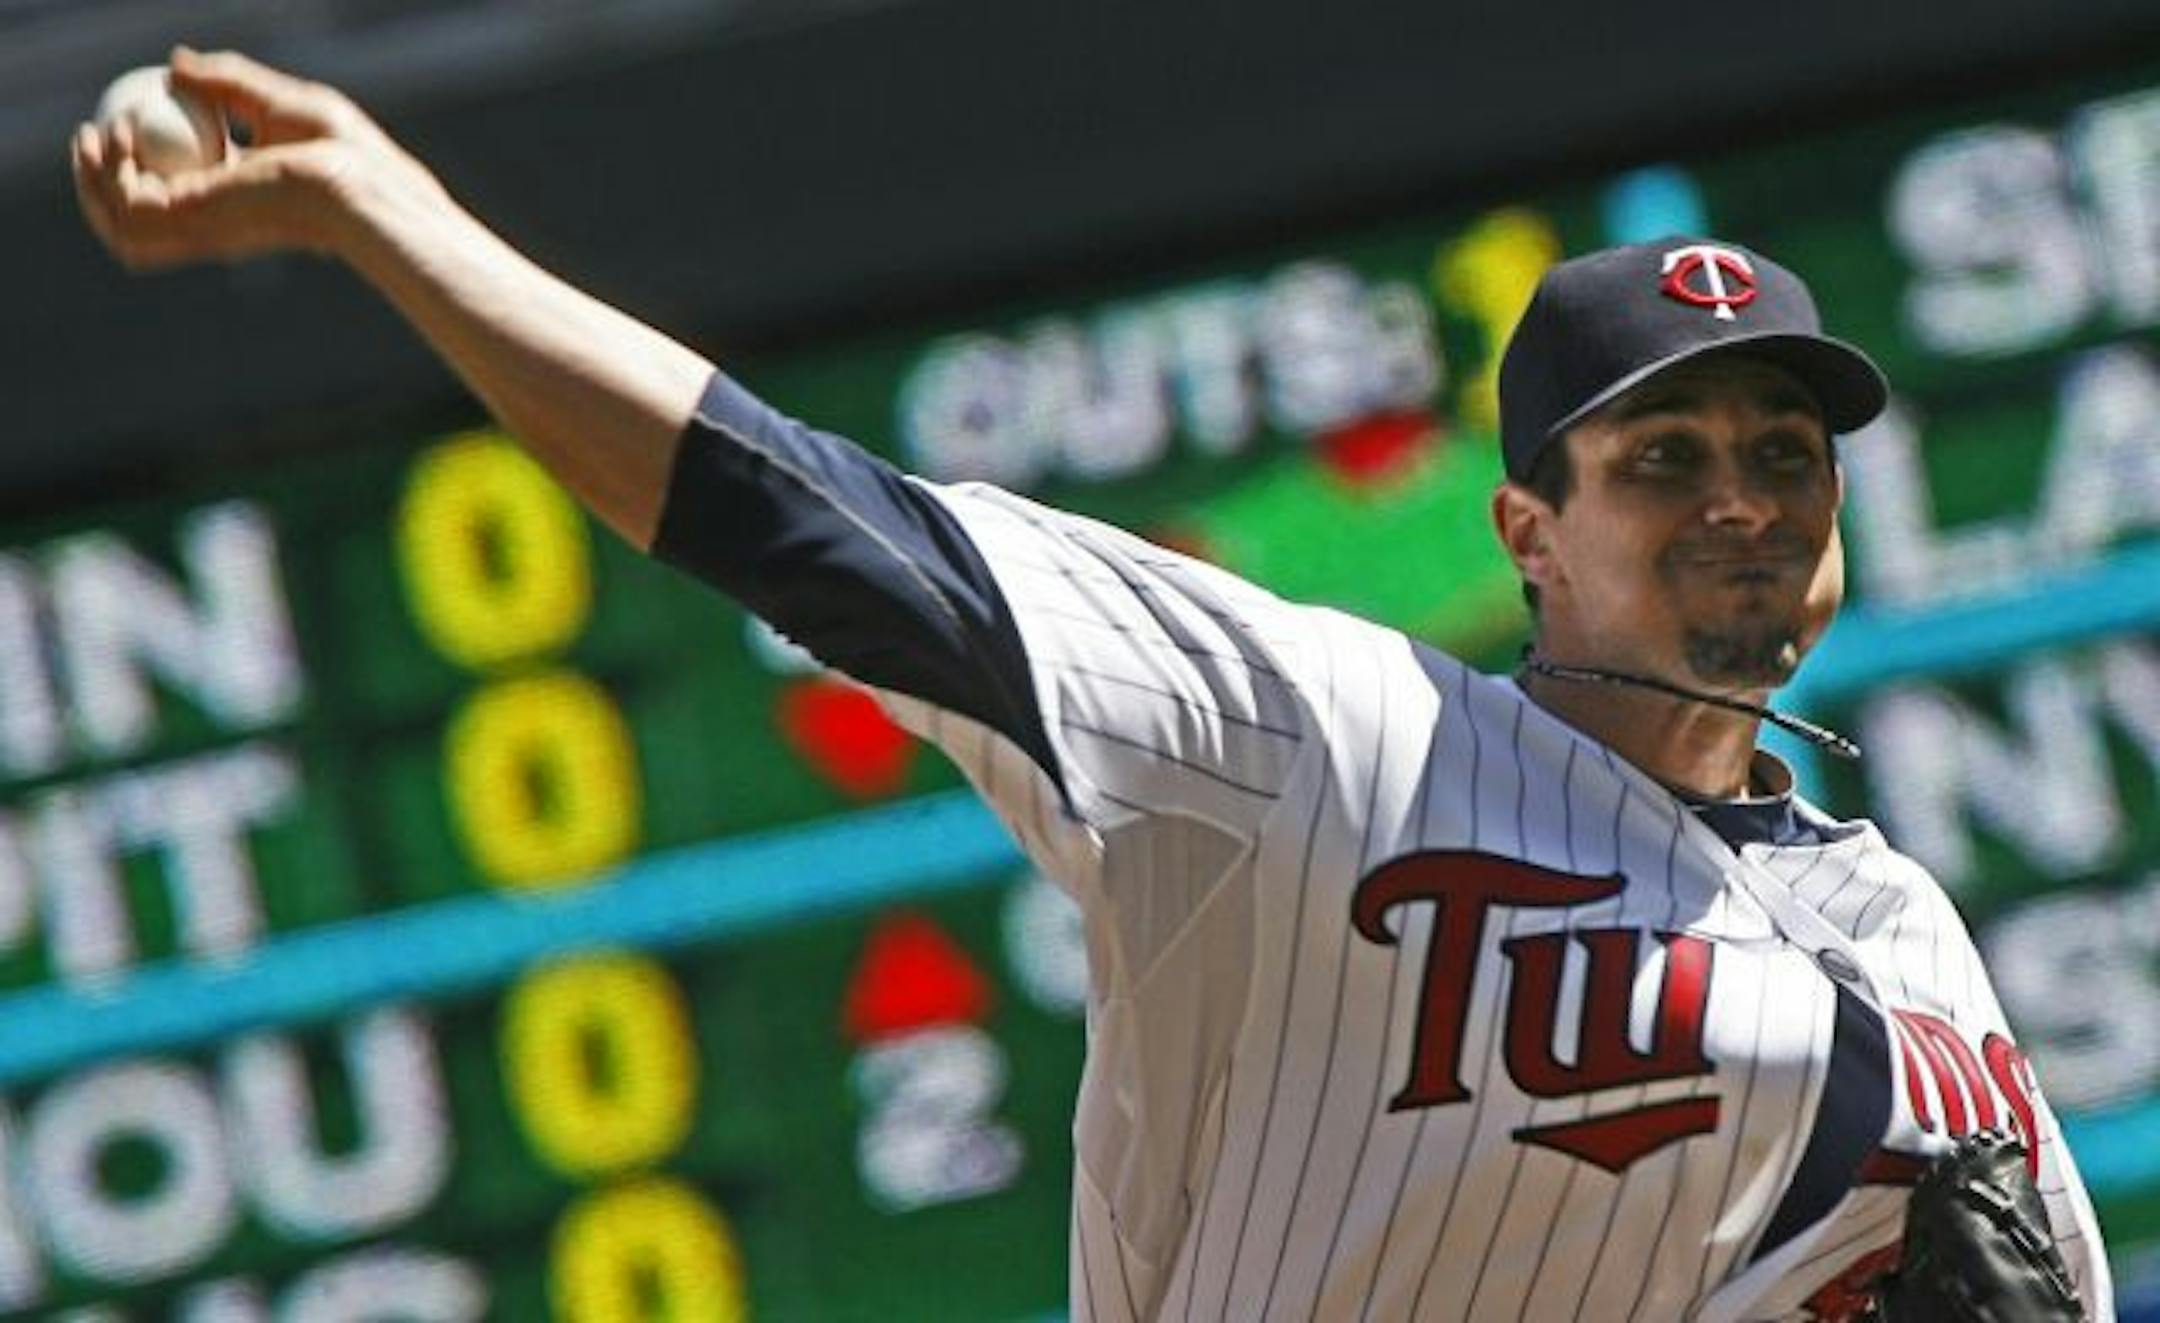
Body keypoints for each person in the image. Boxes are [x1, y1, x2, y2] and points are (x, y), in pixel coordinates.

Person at [74, 49, 2114, 1322]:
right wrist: (392, 221)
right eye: (1664, 458)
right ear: (1526, 530)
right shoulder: (1327, 733)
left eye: (1785, 456)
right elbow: (804, 516)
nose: (1743, 501)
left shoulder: (1905, 931)